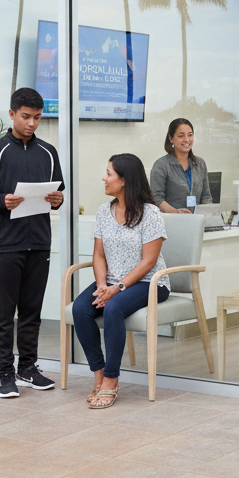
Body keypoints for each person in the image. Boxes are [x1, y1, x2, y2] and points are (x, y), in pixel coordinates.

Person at [0, 87, 64, 398]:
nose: (32, 123)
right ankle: (5, 374)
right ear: (12, 114)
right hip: (5, 244)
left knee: (31, 311)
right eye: (26, 117)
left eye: (37, 118)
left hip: (38, 242)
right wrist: (1, 201)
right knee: (4, 313)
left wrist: (57, 199)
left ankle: (27, 368)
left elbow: (58, 195)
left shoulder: (49, 152)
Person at [72, 153, 171, 408]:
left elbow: (149, 262)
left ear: (125, 180)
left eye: (109, 173)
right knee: (81, 309)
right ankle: (99, 374)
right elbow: (98, 254)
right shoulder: (104, 211)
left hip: (149, 283)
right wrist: (102, 284)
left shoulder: (150, 214)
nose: (104, 178)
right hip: (113, 281)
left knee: (114, 308)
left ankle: (112, 380)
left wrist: (117, 289)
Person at [149, 117, 212, 213]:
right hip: (171, 222)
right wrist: (176, 212)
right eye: (181, 136)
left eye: (190, 135)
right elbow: (156, 199)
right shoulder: (161, 165)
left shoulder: (200, 164)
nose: (187, 140)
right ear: (171, 138)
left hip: (197, 222)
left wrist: (209, 218)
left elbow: (206, 196)